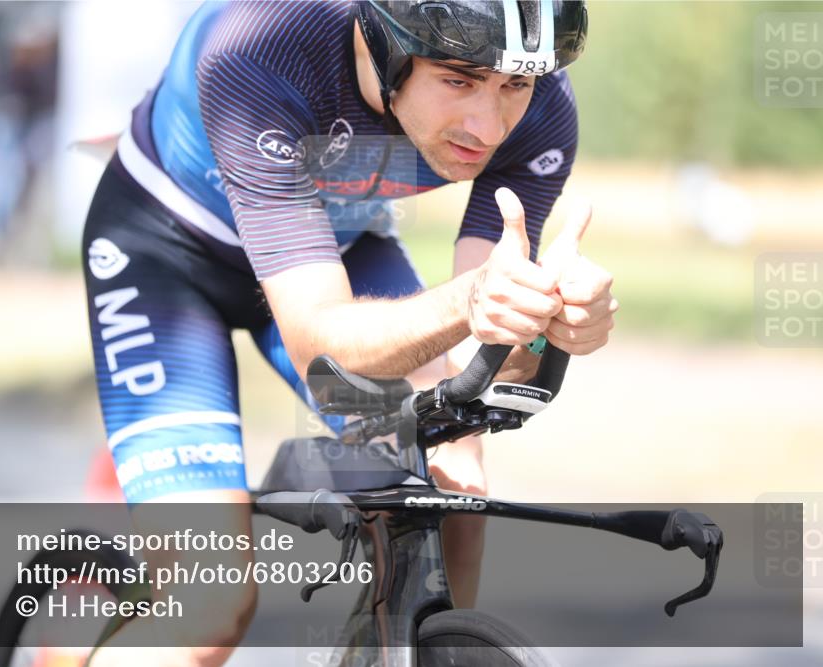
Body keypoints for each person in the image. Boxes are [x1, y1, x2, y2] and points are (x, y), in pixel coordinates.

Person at [81, 2, 616, 665]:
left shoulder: (540, 104)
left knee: (451, 479)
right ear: (387, 47)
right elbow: (323, 345)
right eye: (458, 79)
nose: (490, 124)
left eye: (513, 85)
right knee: (210, 606)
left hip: (333, 249)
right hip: (168, 260)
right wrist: (476, 301)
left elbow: (489, 356)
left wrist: (552, 325)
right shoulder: (260, 49)